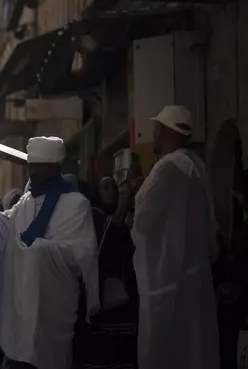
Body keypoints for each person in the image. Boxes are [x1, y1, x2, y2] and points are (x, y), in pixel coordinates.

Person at [0, 136, 99, 369]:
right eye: (31, 166)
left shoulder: (76, 204)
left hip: (53, 303)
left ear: (54, 167)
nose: (33, 172)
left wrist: (37, 249)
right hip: (21, 302)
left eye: (39, 166)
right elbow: (5, 229)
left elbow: (80, 253)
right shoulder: (25, 202)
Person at [132, 105, 219, 369]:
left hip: (164, 283)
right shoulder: (197, 168)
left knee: (162, 353)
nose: (153, 135)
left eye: (157, 129)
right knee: (194, 348)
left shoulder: (165, 169)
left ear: (167, 131)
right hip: (194, 278)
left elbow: (143, 218)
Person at [73, 176, 138, 369]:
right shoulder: (93, 217)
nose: (111, 191)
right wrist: (124, 205)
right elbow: (108, 239)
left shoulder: (122, 221)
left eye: (113, 187)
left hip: (121, 300)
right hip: (99, 302)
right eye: (105, 187)